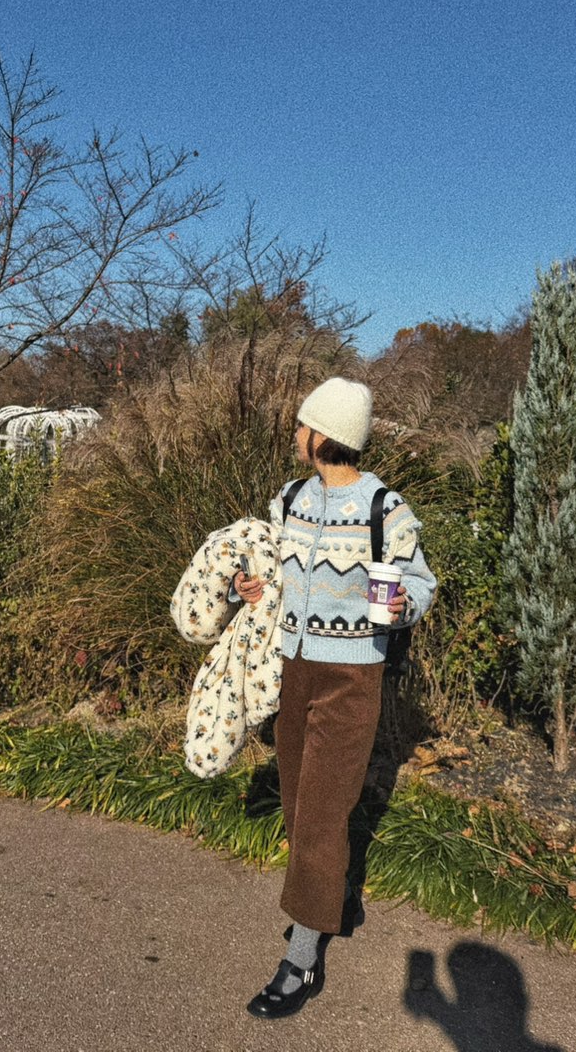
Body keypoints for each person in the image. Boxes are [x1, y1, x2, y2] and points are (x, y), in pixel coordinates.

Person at [233, 376, 437, 1020]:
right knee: (298, 804)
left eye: (301, 425)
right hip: (294, 670)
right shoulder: (290, 500)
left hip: (353, 678)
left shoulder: (386, 508)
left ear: (325, 435)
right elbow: (272, 577)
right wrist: (253, 589)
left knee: (321, 813)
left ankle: (301, 960)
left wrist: (404, 603)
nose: (295, 435)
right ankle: (333, 898)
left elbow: (422, 583)